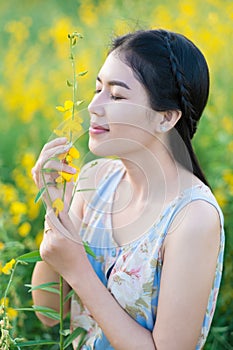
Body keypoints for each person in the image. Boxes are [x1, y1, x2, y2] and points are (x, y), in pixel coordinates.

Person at [31, 29, 224, 350]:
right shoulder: (94, 181)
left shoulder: (192, 218)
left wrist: (78, 269)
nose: (94, 106)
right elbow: (49, 313)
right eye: (96, 89)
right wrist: (56, 213)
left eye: (117, 96)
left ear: (166, 118)